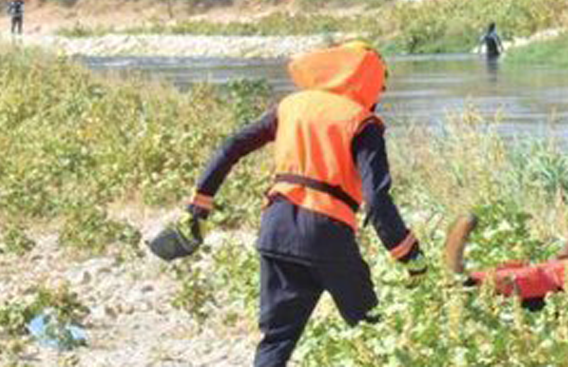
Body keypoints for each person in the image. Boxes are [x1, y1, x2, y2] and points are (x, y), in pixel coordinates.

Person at [181, 41, 425, 367]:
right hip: (326, 235)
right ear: (366, 81)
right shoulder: (362, 122)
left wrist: (201, 204)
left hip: (276, 227)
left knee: (276, 340)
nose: (379, 96)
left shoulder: (291, 106)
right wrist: (408, 254)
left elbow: (232, 145)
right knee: (372, 331)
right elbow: (377, 199)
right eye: (379, 86)